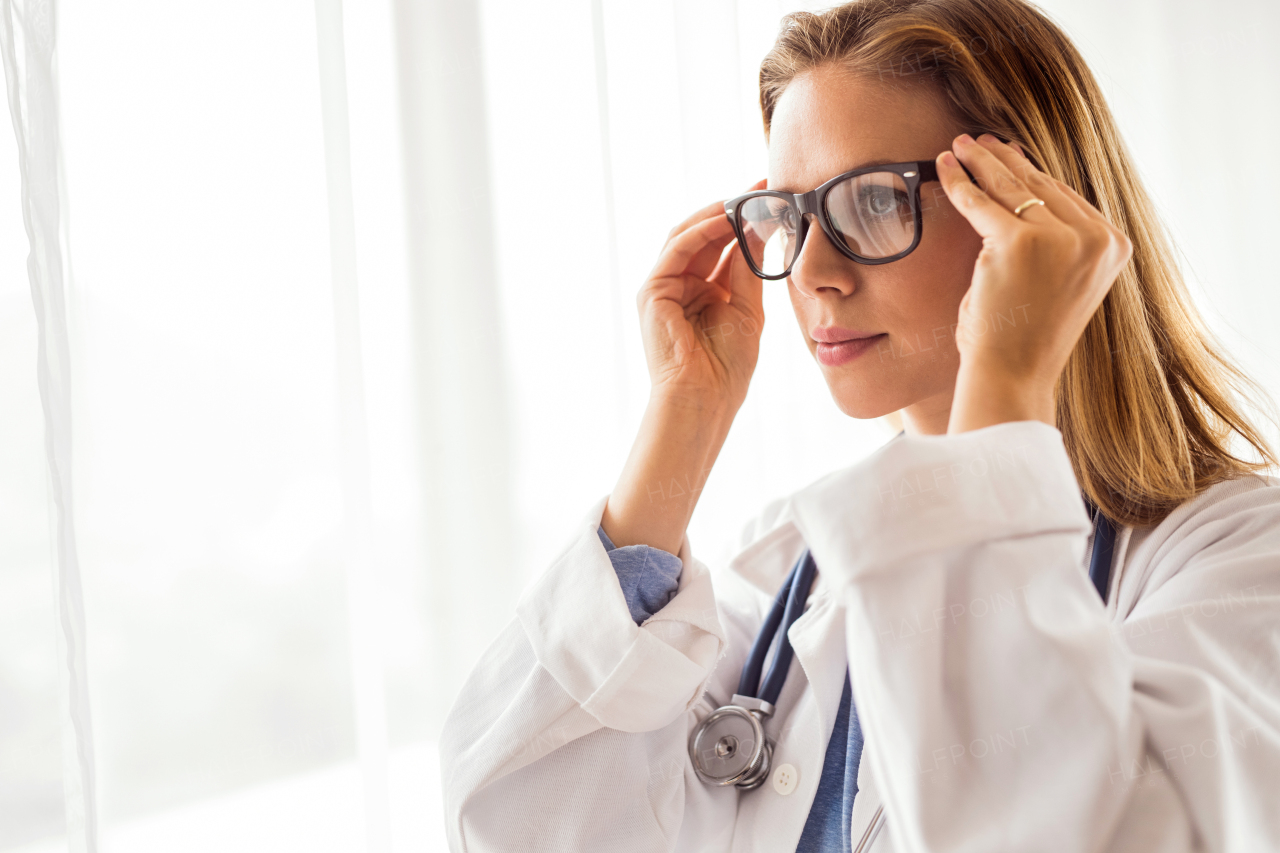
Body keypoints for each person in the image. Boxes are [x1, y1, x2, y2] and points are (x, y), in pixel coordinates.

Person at [439, 0, 1280, 850]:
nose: (813, 270)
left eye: (873, 201)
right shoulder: (798, 575)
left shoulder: (1241, 566)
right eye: (791, 215)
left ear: (1035, 214)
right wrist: (685, 412)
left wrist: (1011, 371)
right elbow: (522, 819)